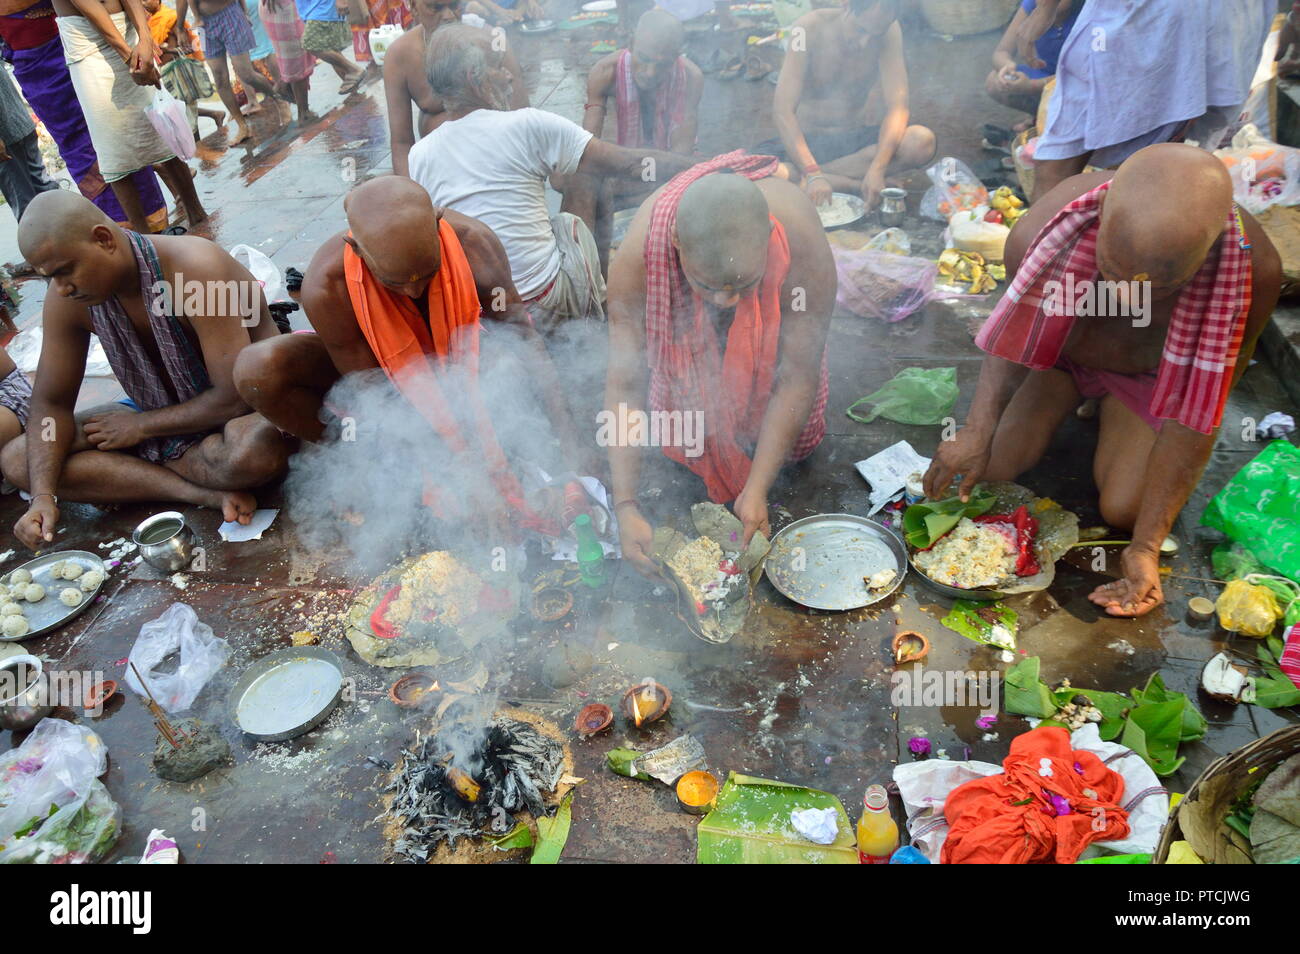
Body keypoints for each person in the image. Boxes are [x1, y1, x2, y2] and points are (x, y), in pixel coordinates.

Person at [922, 144, 1282, 619]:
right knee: (985, 469)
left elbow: (1200, 409)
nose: (1124, 298)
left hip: (1150, 378)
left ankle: (1115, 411)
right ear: (1101, 219)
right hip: (1061, 360)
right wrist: (976, 429)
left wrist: (1146, 547)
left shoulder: (1251, 275)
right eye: (1112, 274)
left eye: (1155, 290)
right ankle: (1079, 403)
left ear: (1207, 253)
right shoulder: (1045, 229)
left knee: (1126, 511)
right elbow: (1015, 337)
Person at [231, 176, 587, 526]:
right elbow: (376, 395)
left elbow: (524, 339)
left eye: (428, 276)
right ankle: (360, 466)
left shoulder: (474, 246)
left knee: (506, 360)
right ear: (354, 249)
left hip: (468, 363)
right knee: (258, 369)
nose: (415, 294)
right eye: (395, 283)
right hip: (387, 376)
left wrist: (572, 447)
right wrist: (454, 472)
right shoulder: (327, 287)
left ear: (438, 224)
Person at [3, 190, 293, 547]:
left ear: (103, 239)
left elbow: (232, 398)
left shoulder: (196, 268)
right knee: (19, 461)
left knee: (254, 454)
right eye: (50, 278)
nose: (62, 289)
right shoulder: (67, 300)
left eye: (65, 272)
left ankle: (135, 474)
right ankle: (199, 493)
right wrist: (43, 496)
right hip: (156, 415)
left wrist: (141, 428)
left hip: (238, 412)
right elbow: (50, 406)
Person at [605, 157, 834, 574]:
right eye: (708, 286)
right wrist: (625, 504)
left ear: (768, 237)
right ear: (675, 241)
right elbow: (625, 384)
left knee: (793, 445)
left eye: (743, 286)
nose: (724, 302)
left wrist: (757, 488)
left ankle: (759, 462)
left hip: (782, 339)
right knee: (687, 426)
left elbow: (800, 373)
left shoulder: (802, 241)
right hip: (685, 344)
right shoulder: (638, 261)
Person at [410, 23, 698, 330]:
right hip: (544, 300)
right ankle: (595, 311)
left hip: (483, 310)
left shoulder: (420, 155)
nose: (509, 76)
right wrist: (703, 165)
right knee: (588, 174)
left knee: (576, 169)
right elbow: (629, 164)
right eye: (498, 68)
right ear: (475, 80)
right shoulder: (525, 125)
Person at [1020, 0, 1275, 201]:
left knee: (1059, 162)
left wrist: (1046, 7)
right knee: (1167, 162)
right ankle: (1138, 257)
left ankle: (1043, 259)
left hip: (1152, 17)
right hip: (1233, 18)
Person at [0, 0, 171, 231]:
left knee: (118, 134)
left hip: (84, 46)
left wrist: (139, 41)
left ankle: (151, 223)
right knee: (80, 149)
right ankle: (119, 230)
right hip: (40, 73)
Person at [562, 8, 702, 269]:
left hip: (669, 174)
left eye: (662, 64)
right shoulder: (605, 72)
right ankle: (583, 275)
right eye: (644, 59)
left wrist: (659, 183)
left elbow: (681, 160)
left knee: (702, 183)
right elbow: (587, 147)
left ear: (677, 57)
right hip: (624, 171)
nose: (650, 72)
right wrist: (624, 166)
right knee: (579, 179)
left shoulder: (691, 77)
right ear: (630, 44)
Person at [52, 0, 207, 231]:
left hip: (130, 34)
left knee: (162, 124)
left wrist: (145, 38)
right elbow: (92, 11)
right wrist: (130, 58)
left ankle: (197, 213)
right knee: (113, 149)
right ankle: (144, 238)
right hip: (89, 51)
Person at [766, 0, 934, 209]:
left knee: (920, 141)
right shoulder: (804, 30)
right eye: (861, 29)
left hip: (853, 144)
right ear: (845, 5)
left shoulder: (890, 31)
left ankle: (803, 177)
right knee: (754, 173)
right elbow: (782, 111)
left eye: (875, 35)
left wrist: (877, 169)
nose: (865, 42)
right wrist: (811, 171)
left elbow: (898, 108)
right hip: (805, 146)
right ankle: (849, 184)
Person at [383, 0, 526, 178]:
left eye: (454, 5)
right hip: (440, 170)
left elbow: (522, 118)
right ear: (413, 8)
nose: (449, 16)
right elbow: (401, 143)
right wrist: (414, 197)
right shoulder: (400, 54)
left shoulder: (491, 40)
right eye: (435, 7)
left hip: (497, 161)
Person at [179, 0, 282, 144]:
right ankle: (242, 126)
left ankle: (278, 98)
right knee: (219, 78)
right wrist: (180, 29)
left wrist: (244, 13)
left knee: (246, 73)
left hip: (230, 15)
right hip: (204, 26)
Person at [986, 0, 1078, 124]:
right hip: (1045, 75)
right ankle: (1040, 117)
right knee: (994, 81)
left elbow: (1082, 74)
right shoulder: (1032, 6)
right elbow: (1001, 52)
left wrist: (1032, 85)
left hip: (1077, 83)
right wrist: (1008, 66)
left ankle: (1061, 122)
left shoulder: (1088, 13)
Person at [145, 0, 228, 138]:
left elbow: (191, 47)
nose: (143, 3)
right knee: (175, 109)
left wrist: (168, 50)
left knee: (187, 112)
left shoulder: (172, 18)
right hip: (162, 72)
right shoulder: (147, 22)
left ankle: (200, 150)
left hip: (178, 72)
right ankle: (214, 116)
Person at [0, 63, 58, 222]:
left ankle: (70, 236)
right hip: (12, 131)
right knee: (33, 200)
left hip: (15, 128)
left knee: (41, 195)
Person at [259, 0, 314, 121]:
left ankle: (299, 105)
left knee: (294, 58)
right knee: (296, 59)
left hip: (278, 8)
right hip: (281, 9)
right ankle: (303, 111)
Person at [290, 0, 362, 93]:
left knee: (311, 44)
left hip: (322, 7)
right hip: (313, 9)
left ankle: (353, 70)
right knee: (331, 50)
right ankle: (353, 90)